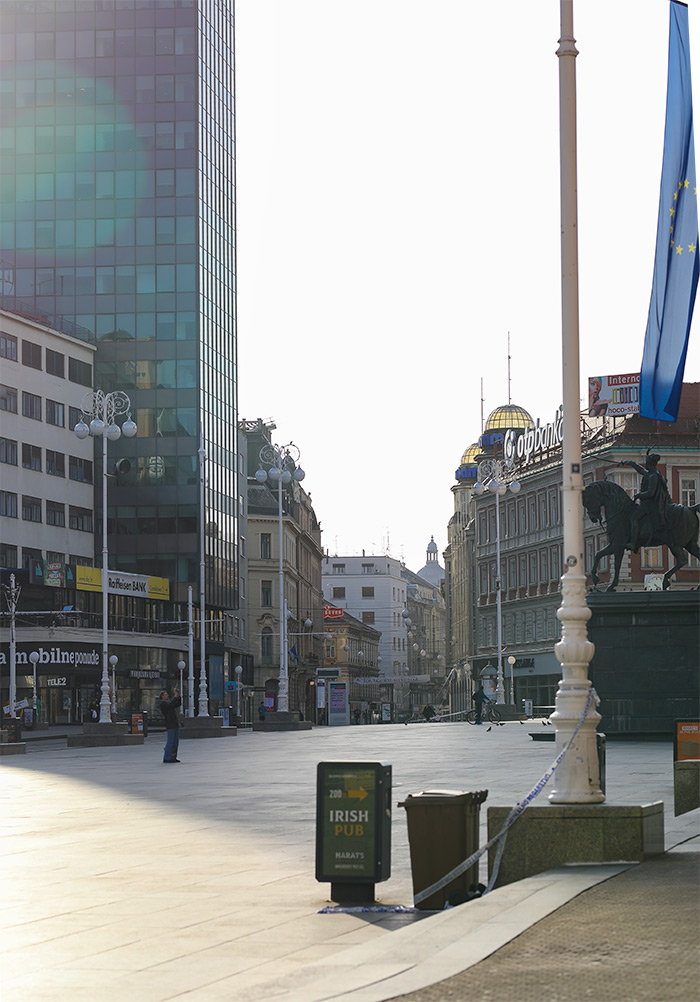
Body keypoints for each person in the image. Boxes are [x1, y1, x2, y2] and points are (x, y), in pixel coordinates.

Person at [619, 453, 671, 552]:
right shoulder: (649, 474)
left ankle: (633, 543)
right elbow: (640, 469)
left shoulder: (653, 476)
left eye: (646, 462)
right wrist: (629, 463)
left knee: (634, 518)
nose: (645, 464)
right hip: (646, 503)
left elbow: (651, 493)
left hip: (649, 504)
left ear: (650, 464)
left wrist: (639, 495)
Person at [158, 688, 181, 763]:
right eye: (165, 694)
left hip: (175, 723)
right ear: (162, 697)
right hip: (170, 724)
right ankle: (167, 757)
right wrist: (175, 696)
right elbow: (171, 704)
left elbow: (177, 704)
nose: (167, 695)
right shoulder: (163, 703)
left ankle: (173, 756)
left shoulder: (168, 702)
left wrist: (178, 696)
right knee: (170, 741)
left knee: (175, 742)